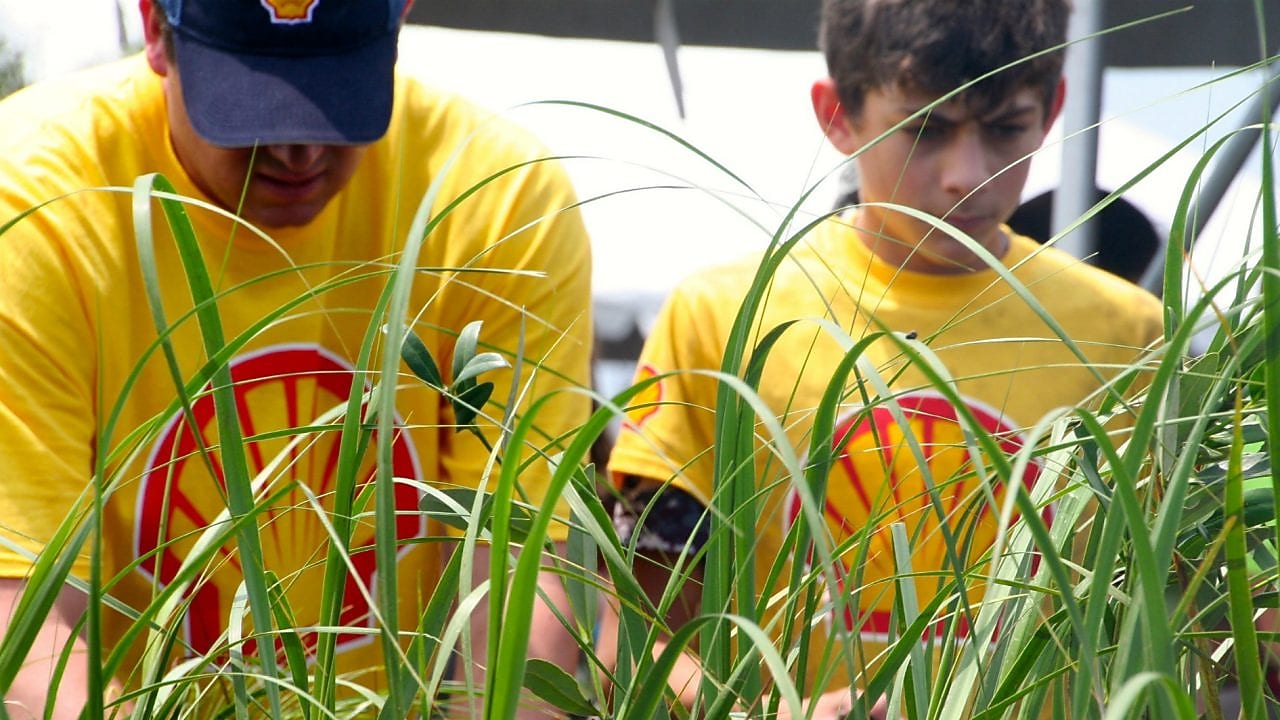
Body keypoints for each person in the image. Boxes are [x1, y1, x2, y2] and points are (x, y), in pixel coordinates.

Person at [0, 0, 592, 717]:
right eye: (249, 107)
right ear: (157, 28)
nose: (298, 152)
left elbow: (511, 595)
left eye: (336, 98)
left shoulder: (497, 201)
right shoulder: (34, 204)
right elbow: (25, 631)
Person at [604, 0, 1163, 716]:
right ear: (838, 114)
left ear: (1053, 109)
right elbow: (637, 628)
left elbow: (1187, 612)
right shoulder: (722, 317)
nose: (968, 174)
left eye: (1006, 129)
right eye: (924, 128)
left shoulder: (1128, 333)